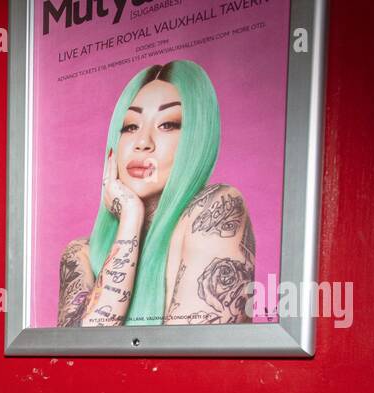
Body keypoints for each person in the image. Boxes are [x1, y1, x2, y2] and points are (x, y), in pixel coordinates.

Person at [56, 60, 255, 327]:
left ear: (197, 137)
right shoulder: (80, 253)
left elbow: (191, 364)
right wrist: (130, 217)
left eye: (168, 124)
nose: (142, 143)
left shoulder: (216, 211)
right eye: (130, 127)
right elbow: (76, 354)